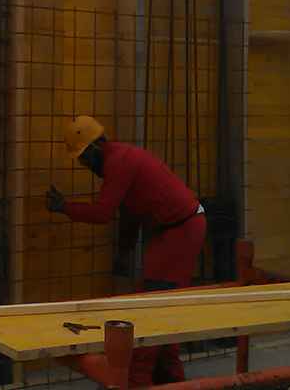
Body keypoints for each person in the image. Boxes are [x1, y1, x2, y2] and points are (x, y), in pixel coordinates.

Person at [46, 115, 206, 385]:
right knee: (159, 307)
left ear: (96, 147)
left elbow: (103, 213)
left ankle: (135, 380)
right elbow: (130, 213)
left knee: (152, 309)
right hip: (175, 229)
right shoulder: (120, 160)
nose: (84, 165)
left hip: (181, 230)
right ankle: (171, 380)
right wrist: (124, 251)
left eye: (84, 158)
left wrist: (64, 207)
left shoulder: (118, 163)